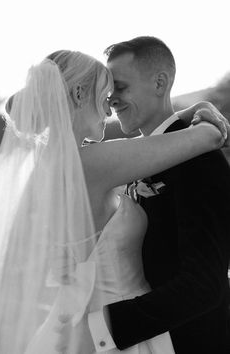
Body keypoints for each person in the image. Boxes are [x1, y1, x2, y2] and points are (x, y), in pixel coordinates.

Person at [0, 49, 228, 354]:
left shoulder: (52, 163)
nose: (109, 111)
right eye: (105, 97)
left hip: (74, 322)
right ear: (79, 93)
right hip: (117, 331)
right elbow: (208, 138)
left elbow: (152, 142)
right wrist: (207, 113)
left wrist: (190, 110)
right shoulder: (91, 162)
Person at [83, 36, 230, 354]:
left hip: (189, 341)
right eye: (108, 93)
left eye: (120, 88)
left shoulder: (198, 158)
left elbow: (204, 285)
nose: (111, 102)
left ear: (160, 83)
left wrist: (102, 330)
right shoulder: (134, 158)